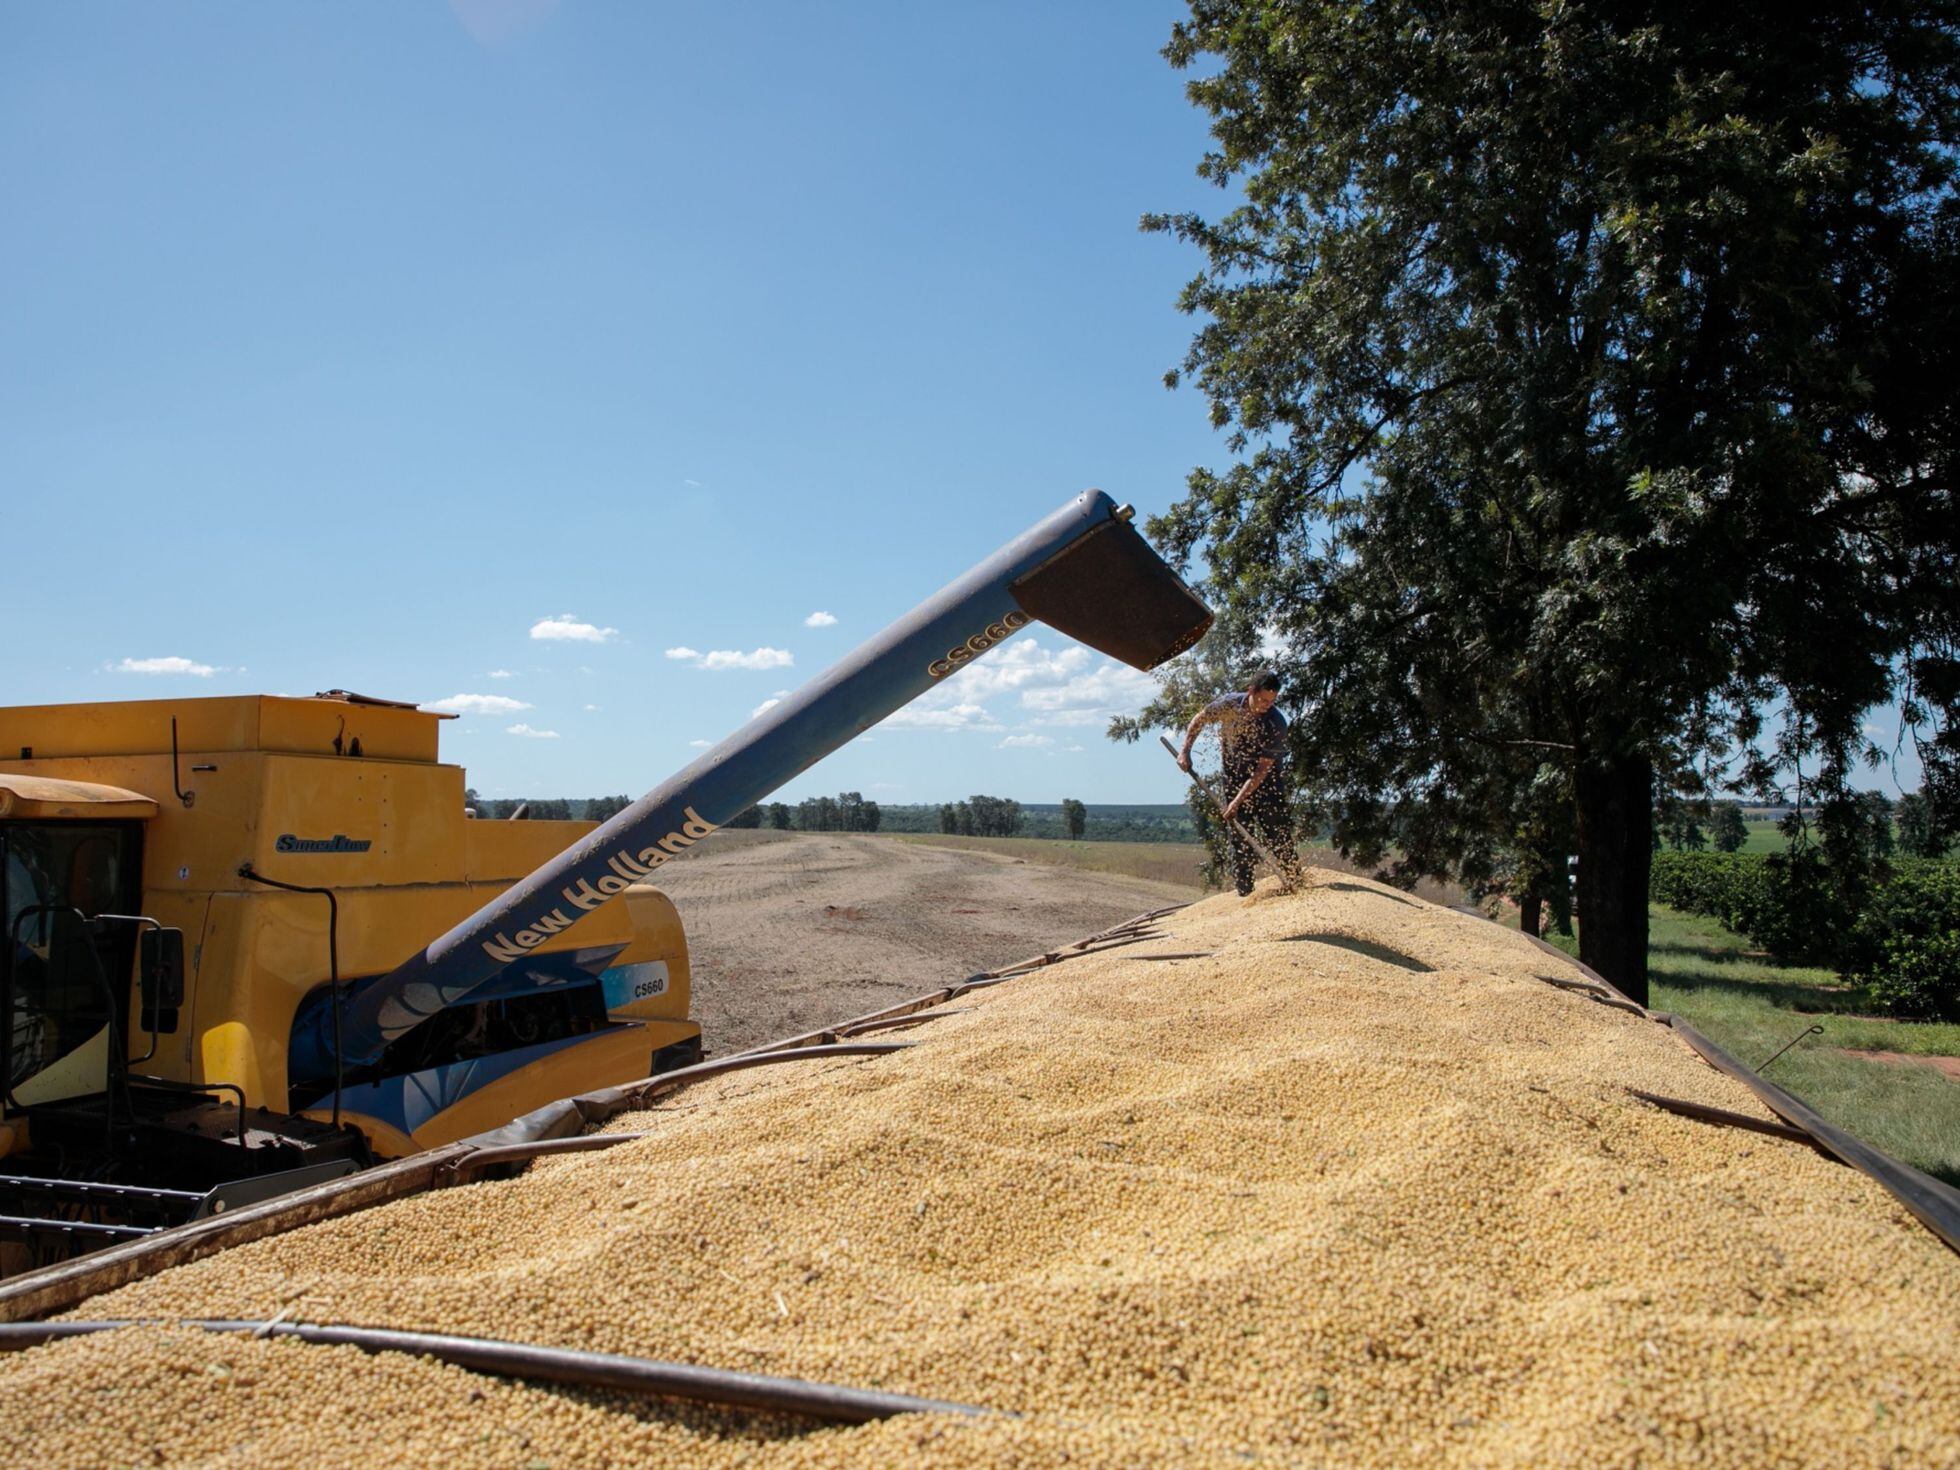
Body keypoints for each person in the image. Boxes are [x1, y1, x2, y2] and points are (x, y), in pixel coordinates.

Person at [1177, 670, 1301, 896]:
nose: (1267, 705)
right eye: (1263, 699)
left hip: (1267, 784)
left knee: (1278, 834)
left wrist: (1236, 802)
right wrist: (1185, 751)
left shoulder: (1276, 723)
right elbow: (1199, 719)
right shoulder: (1229, 704)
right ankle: (1245, 894)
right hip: (1233, 779)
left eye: (1272, 701)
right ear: (1251, 691)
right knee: (1239, 840)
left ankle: (1295, 883)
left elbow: (1262, 770)